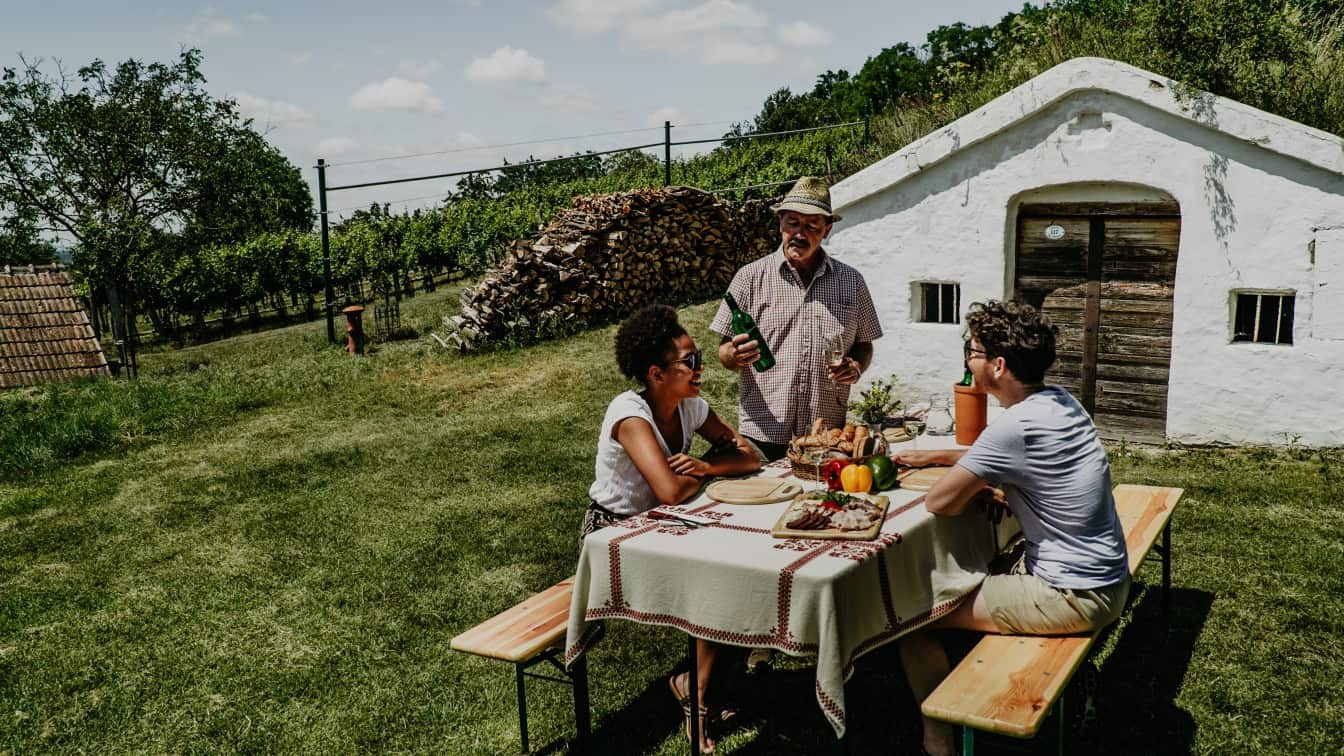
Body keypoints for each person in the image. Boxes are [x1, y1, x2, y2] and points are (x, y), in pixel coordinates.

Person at [891, 299, 1130, 756]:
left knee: (908, 614)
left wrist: (974, 485)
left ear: (998, 366)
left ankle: (939, 736)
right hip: (1108, 578)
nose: (968, 359)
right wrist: (939, 456)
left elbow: (941, 503)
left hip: (1073, 595)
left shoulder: (1015, 426)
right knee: (990, 560)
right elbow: (999, 455)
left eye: (973, 351)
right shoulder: (1059, 401)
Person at [583, 303, 760, 753]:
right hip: (613, 535)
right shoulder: (629, 413)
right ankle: (700, 700)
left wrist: (704, 464)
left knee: (739, 566)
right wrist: (711, 469)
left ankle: (696, 687)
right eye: (690, 362)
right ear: (656, 374)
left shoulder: (691, 406)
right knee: (713, 576)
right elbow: (668, 488)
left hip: (660, 526)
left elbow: (751, 457)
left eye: (699, 357)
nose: (700, 369)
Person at [710, 176, 883, 462]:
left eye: (811, 226)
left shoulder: (851, 281)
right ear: (780, 223)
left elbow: (864, 344)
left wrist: (856, 366)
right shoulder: (750, 277)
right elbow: (724, 351)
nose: (800, 234)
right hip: (763, 431)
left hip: (825, 434)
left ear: (826, 230)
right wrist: (735, 355)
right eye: (793, 223)